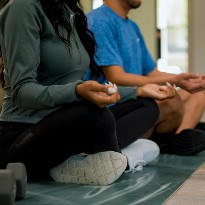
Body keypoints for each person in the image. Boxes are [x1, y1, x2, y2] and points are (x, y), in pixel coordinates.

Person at [0, 0, 177, 186]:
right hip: (22, 135)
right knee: (93, 114)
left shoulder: (68, 10)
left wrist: (139, 90)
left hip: (66, 123)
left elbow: (72, 85)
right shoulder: (23, 7)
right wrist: (77, 91)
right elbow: (22, 92)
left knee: (146, 105)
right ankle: (121, 160)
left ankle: (90, 160)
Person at [84, 0, 205, 156]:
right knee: (171, 100)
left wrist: (185, 79)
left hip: (138, 99)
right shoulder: (99, 20)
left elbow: (151, 72)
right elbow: (116, 77)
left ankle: (172, 142)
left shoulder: (132, 26)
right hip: (115, 106)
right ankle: (165, 142)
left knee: (197, 96)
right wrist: (174, 82)